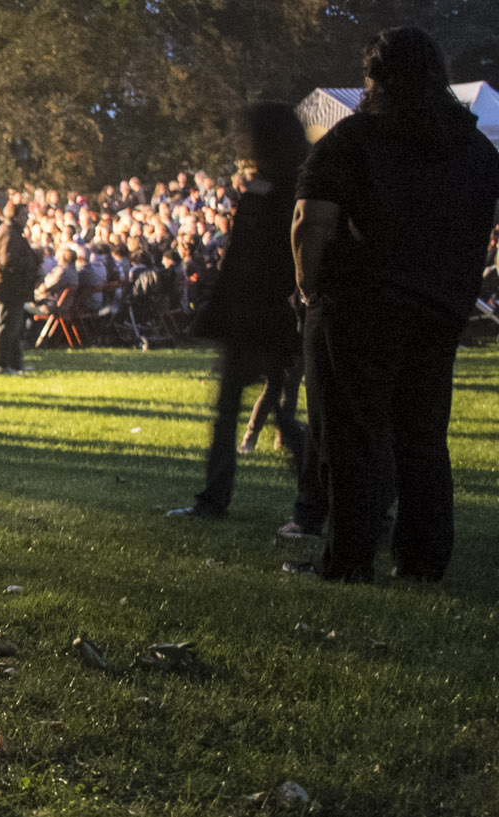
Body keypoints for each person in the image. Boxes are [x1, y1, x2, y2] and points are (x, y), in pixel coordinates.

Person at [293, 26, 499, 582]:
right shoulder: (476, 149)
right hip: (439, 308)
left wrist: (309, 289)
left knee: (353, 436)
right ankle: (424, 558)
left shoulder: (354, 140)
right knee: (423, 438)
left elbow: (311, 221)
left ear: (375, 78)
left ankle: (349, 559)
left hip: (359, 303)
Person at [168, 102, 310, 521]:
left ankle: (218, 499)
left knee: (248, 413)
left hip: (254, 316)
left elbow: (247, 261)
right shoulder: (289, 188)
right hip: (271, 316)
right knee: (280, 413)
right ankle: (317, 499)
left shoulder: (267, 194)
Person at [0, 202, 40, 375]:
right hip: (7, 288)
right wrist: (31, 262)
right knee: (6, 328)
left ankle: (15, 364)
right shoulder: (8, 232)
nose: (27, 218)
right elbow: (8, 260)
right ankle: (0, 365)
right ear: (14, 216)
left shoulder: (12, 232)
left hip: (11, 288)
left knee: (12, 329)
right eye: (24, 215)